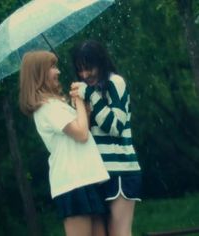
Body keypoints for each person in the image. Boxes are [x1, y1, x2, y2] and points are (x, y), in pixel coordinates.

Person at [19, 50, 110, 236]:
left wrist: (82, 109)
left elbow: (80, 129)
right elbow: (81, 134)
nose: (58, 71)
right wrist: (77, 101)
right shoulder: (47, 107)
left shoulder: (56, 104)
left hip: (85, 178)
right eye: (52, 67)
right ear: (40, 73)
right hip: (72, 182)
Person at [70, 40, 142, 236]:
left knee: (120, 233)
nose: (85, 75)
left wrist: (91, 96)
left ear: (101, 63)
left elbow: (115, 126)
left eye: (89, 68)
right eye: (80, 70)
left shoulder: (115, 82)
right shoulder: (87, 90)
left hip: (120, 170)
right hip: (97, 173)